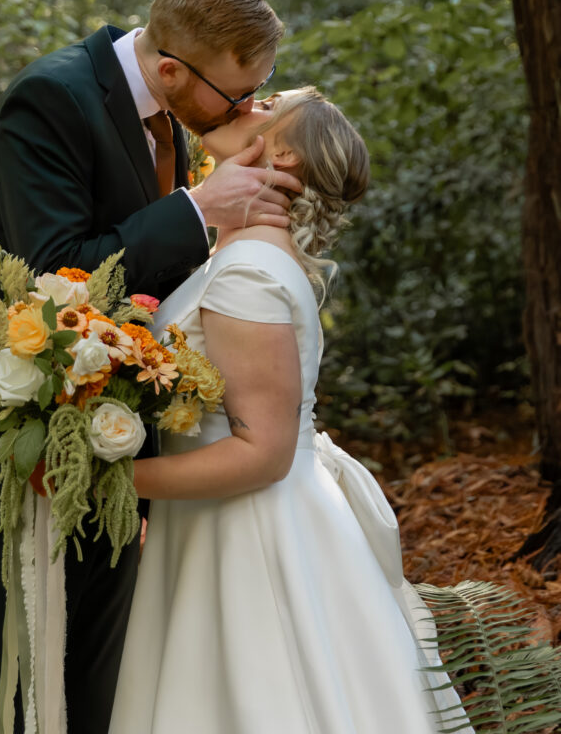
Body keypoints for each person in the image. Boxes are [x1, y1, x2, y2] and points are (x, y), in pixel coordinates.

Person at [0, 0, 302, 734]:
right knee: (21, 703)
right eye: (235, 95)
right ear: (170, 68)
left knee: (94, 700)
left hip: (117, 454)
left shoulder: (172, 115)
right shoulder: (51, 99)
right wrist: (197, 206)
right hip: (29, 453)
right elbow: (47, 269)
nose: (246, 107)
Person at [109, 87, 471, 734]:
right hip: (219, 523)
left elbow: (263, 452)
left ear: (281, 156)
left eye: (266, 102)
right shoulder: (240, 256)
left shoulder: (247, 269)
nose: (244, 101)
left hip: (246, 535)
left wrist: (111, 481)